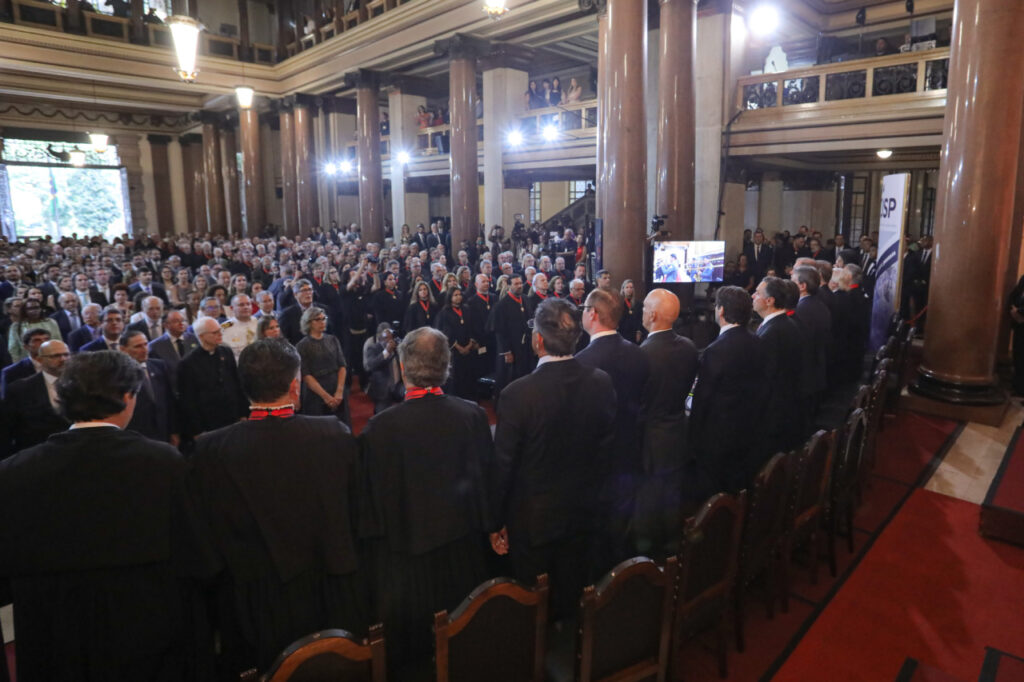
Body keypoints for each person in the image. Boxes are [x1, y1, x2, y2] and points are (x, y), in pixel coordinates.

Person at [0, 351, 216, 681]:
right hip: (147, 633)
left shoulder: (13, 472)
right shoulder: (163, 462)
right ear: (128, 396)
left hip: (55, 639)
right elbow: (196, 554)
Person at [190, 339, 367, 676]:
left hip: (252, 605)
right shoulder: (334, 433)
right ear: (295, 386)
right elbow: (357, 511)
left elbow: (206, 537)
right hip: (331, 592)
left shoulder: (210, 449)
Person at [361, 327, 492, 674]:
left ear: (403, 368)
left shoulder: (378, 428)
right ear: (447, 367)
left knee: (415, 660)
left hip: (406, 564)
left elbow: (372, 507)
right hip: (464, 555)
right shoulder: (473, 415)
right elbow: (486, 486)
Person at [489, 298, 616, 618]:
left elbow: (502, 468)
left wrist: (494, 522)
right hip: (585, 512)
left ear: (538, 340)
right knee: (574, 598)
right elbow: (605, 452)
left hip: (534, 525)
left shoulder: (517, 394)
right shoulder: (601, 382)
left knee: (534, 608)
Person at [576, 287, 651, 569]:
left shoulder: (582, 363)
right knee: (624, 526)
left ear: (593, 314)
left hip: (596, 463)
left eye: (584, 308)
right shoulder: (639, 354)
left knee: (599, 538)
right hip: (631, 450)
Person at [634, 289, 698, 558]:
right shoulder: (689, 347)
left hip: (650, 439)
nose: (641, 312)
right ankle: (673, 552)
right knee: (672, 496)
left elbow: (638, 402)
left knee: (649, 502)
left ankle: (650, 560)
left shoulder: (642, 355)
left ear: (653, 315)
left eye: (644, 308)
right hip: (678, 431)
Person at [689, 286, 766, 494]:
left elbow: (702, 400)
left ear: (721, 310)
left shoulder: (716, 350)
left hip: (718, 441)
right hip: (750, 433)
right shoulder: (758, 342)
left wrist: (693, 441)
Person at [752, 277, 804, 457]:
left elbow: (765, 379)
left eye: (757, 293)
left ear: (769, 301)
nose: (753, 296)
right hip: (786, 410)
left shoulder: (772, 333)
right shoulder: (786, 323)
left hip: (773, 417)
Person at [177, 316, 248, 444]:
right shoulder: (188, 363)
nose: (220, 334)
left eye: (220, 330)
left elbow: (237, 384)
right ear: (202, 336)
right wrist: (197, 430)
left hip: (232, 416)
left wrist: (243, 413)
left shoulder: (226, 352)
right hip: (209, 422)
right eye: (215, 332)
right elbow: (188, 400)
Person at [2, 339, 70, 458]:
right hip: (37, 455)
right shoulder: (20, 389)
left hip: (74, 452)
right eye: (56, 356)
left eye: (66, 354)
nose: (63, 359)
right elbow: (6, 429)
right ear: (40, 359)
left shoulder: (83, 383)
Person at [120, 330, 178, 445]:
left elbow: (169, 401)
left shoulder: (159, 366)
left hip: (163, 433)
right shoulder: (118, 374)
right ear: (123, 349)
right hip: (136, 437)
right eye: (138, 346)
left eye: (146, 344)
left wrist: (174, 431)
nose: (145, 349)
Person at [792, 265, 831, 428]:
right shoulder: (819, 305)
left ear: (802, 286)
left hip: (806, 378)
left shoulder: (802, 310)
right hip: (817, 373)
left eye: (793, 281)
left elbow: (802, 347)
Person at [295, 306, 349, 424]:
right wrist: (326, 397)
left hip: (336, 386)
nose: (322, 322)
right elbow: (306, 375)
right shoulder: (302, 346)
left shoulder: (333, 339)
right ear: (308, 322)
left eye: (324, 318)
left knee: (342, 425)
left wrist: (339, 391)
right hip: (316, 392)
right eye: (317, 319)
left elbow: (342, 366)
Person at [488, 273, 531, 399]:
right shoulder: (502, 305)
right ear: (509, 285)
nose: (519, 286)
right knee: (508, 379)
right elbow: (500, 331)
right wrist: (506, 352)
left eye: (520, 283)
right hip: (510, 348)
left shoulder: (525, 299)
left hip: (525, 346)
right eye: (516, 284)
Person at [435, 286, 477, 399]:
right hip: (453, 351)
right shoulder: (444, 313)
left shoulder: (467, 309)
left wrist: (469, 345)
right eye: (455, 295)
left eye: (460, 294)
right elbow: (444, 333)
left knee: (468, 376)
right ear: (450, 297)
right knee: (455, 377)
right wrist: (458, 347)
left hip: (468, 349)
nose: (458, 297)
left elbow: (472, 328)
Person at [148, 309, 200, 388]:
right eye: (176, 321)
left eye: (183, 320)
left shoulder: (194, 339)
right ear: (166, 325)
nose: (181, 323)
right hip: (171, 388)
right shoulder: (155, 346)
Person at [363, 323, 404, 413]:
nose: (389, 340)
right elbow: (372, 365)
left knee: (410, 398)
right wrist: (386, 352)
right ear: (380, 338)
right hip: (383, 389)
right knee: (382, 414)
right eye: (386, 337)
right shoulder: (373, 348)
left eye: (390, 336)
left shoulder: (397, 346)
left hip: (399, 385)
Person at [1, 328, 50, 399]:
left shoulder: (61, 366)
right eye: (37, 340)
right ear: (26, 347)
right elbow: (7, 400)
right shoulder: (11, 372)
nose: (44, 343)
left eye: (47, 339)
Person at [278, 279, 317, 344]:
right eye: (304, 290)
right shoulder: (287, 315)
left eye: (310, 290)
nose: (308, 293)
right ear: (295, 294)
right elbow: (283, 340)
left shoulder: (323, 310)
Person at [221, 294, 258, 360]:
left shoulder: (258, 322)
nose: (246, 307)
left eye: (248, 304)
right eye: (241, 305)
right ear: (232, 308)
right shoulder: (225, 326)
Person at [617, 279, 643, 344]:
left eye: (631, 287)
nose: (629, 289)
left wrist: (639, 331)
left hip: (634, 334)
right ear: (623, 289)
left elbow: (640, 319)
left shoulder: (638, 304)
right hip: (622, 334)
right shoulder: (619, 303)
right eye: (627, 287)